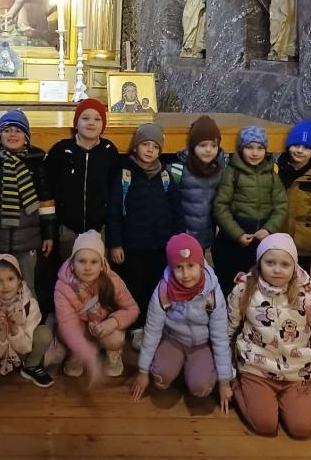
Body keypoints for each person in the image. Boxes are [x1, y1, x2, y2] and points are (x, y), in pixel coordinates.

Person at [227, 233, 311, 439]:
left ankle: (290, 402)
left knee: (302, 428)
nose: (277, 269)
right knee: (265, 424)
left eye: (285, 264)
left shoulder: (308, 297)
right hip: (256, 369)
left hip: (297, 373)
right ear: (260, 263)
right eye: (270, 263)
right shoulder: (244, 290)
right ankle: (243, 388)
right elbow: (227, 329)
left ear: (294, 266)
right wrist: (229, 373)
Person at [131, 234, 233, 410]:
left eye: (191, 266)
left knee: (201, 388)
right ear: (171, 267)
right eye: (179, 267)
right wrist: (143, 371)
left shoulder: (212, 293)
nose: (186, 274)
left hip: (201, 344)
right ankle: (177, 364)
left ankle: (192, 368)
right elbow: (152, 330)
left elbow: (220, 337)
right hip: (173, 339)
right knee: (160, 379)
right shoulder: (163, 290)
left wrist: (225, 381)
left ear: (200, 264)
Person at [106, 123, 184, 351]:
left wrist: (179, 243)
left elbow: (177, 212)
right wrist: (115, 244)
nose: (150, 150)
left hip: (161, 246)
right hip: (133, 247)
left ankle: (155, 324)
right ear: (136, 147)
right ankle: (137, 326)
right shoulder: (125, 175)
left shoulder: (166, 176)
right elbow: (114, 212)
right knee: (134, 287)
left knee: (157, 286)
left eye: (155, 146)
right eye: (145, 144)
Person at [0, 110, 56, 315]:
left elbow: (46, 202)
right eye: (7, 130)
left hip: (29, 240)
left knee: (28, 284)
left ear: (27, 137)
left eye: (18, 131)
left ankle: (31, 323)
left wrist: (48, 234)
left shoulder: (38, 164)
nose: (12, 134)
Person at [54, 230, 139, 380]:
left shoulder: (113, 281)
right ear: (72, 264)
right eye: (82, 261)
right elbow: (67, 323)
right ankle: (77, 354)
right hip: (79, 326)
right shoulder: (63, 286)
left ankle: (113, 355)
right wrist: (86, 354)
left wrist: (113, 322)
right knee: (63, 331)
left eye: (94, 262)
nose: (87, 267)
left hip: (104, 325)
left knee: (115, 339)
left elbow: (132, 309)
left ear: (102, 264)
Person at [212, 125, 286, 295]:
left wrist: (269, 229)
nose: (255, 153)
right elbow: (220, 206)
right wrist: (237, 234)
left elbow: (281, 205)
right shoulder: (232, 173)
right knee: (231, 282)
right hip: (235, 239)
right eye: (249, 147)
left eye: (260, 148)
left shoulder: (271, 175)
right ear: (241, 149)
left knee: (257, 282)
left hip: (261, 239)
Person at [0, 254, 54, 387]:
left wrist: (15, 329)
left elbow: (25, 348)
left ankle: (31, 366)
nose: (5, 286)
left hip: (23, 352)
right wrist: (1, 332)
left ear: (19, 280)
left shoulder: (31, 305)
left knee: (44, 333)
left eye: (11, 279)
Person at [45, 99, 119, 260]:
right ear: (76, 123)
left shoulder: (109, 151)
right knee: (67, 270)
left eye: (97, 119)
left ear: (103, 125)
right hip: (67, 229)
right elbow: (47, 184)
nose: (91, 123)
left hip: (100, 229)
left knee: (97, 270)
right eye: (85, 118)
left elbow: (115, 191)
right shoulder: (61, 150)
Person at [275, 120, 311, 275]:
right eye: (296, 145)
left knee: (300, 279)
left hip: (304, 243)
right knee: (276, 275)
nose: (299, 151)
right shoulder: (276, 170)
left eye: (306, 147)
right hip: (278, 237)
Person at [168, 115, 225, 255]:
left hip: (205, 236)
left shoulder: (218, 170)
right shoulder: (178, 169)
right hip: (182, 237)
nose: (208, 150)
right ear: (193, 146)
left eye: (213, 145)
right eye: (203, 145)